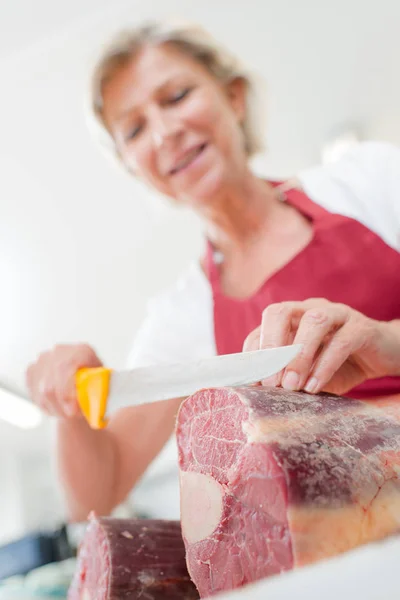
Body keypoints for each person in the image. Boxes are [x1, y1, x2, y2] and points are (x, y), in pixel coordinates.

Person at [26, 20, 400, 522]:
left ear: (235, 97)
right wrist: (69, 406)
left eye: (176, 96)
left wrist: (386, 342)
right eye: (134, 129)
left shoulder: (370, 179)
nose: (164, 133)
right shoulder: (180, 317)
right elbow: (97, 493)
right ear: (134, 167)